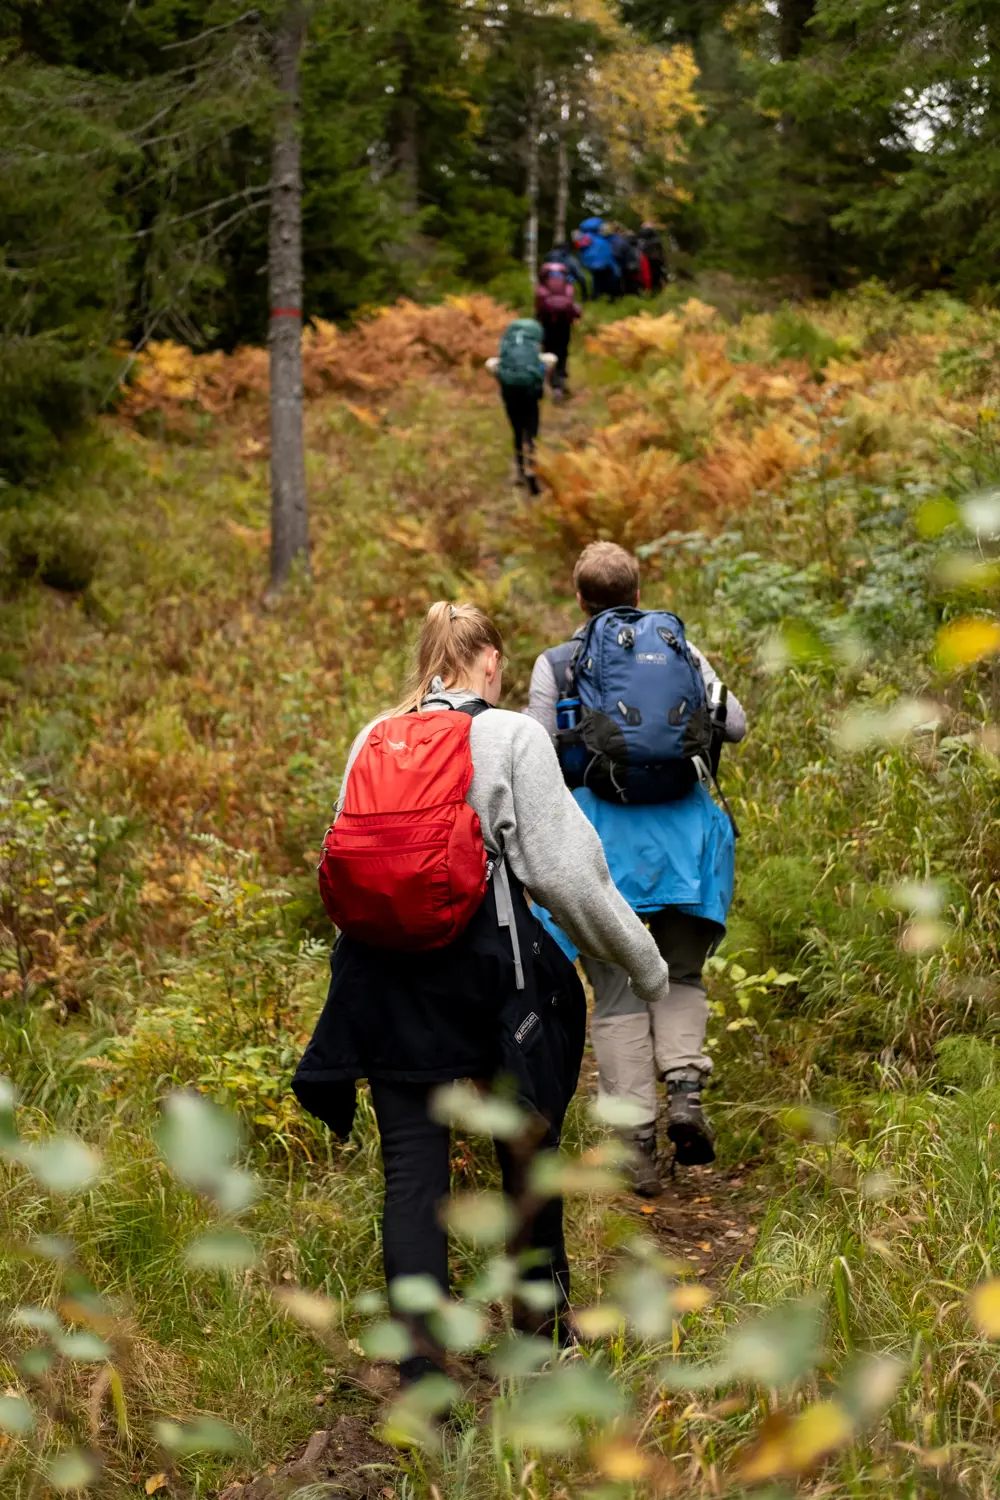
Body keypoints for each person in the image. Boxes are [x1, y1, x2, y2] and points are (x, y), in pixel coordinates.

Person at [293, 602, 675, 1386]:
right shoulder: (509, 736)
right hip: (486, 984)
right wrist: (644, 966)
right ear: (491, 663)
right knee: (529, 1148)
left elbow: (346, 859)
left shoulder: (373, 736)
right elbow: (570, 878)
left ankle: (421, 1373)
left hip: (382, 984)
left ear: (426, 662)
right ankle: (539, 1330)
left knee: (413, 1175)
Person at [524, 542, 746, 1197]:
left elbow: (536, 758)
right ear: (639, 591)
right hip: (686, 845)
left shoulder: (559, 663)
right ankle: (684, 1088)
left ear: (578, 595)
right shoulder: (679, 648)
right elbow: (735, 725)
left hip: (603, 854)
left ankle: (638, 1147)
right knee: (680, 973)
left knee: (618, 993)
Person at [485, 318, 557, 495]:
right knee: (532, 432)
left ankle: (519, 471)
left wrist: (501, 378)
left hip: (511, 395)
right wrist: (541, 376)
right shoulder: (532, 347)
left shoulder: (507, 346)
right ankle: (532, 468)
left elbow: (491, 366)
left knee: (517, 432)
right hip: (531, 394)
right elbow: (550, 361)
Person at [535, 261, 581, 397]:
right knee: (562, 351)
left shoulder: (542, 288)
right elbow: (572, 306)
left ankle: (552, 383)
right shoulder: (568, 287)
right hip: (564, 324)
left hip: (547, 324)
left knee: (548, 352)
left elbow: (538, 308)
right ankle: (561, 379)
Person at [576, 217, 620, 300]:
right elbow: (613, 240)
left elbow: (581, 248)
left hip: (591, 264)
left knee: (596, 280)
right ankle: (612, 296)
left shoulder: (586, 237)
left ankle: (596, 296)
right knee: (611, 278)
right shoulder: (602, 236)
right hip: (606, 262)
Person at [637, 223, 667, 293]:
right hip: (656, 261)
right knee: (657, 277)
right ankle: (657, 291)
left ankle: (650, 292)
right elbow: (661, 253)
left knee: (648, 278)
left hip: (645, 261)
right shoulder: (656, 239)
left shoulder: (640, 240)